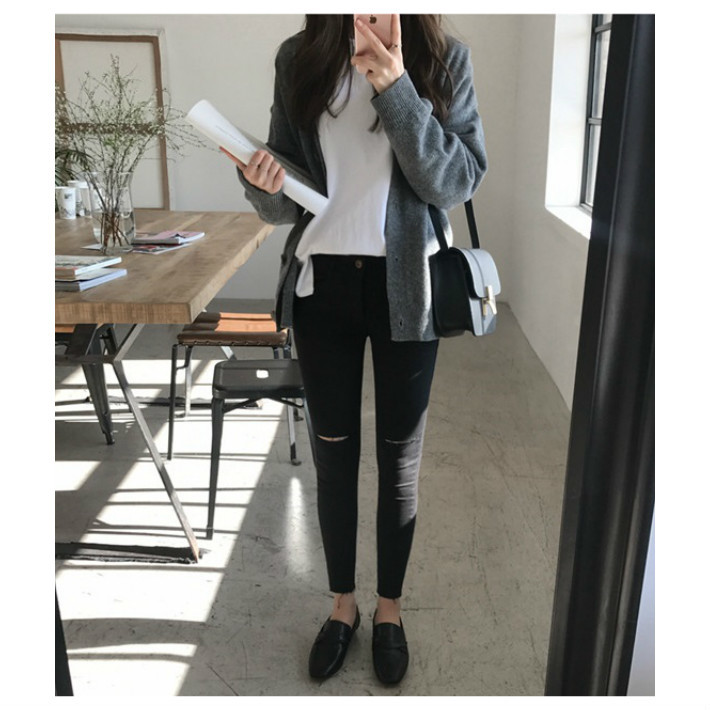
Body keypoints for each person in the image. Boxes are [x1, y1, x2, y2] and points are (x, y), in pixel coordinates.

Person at [222, 14, 487, 685]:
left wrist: (396, 89)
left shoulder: (442, 57)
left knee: (399, 461)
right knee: (333, 457)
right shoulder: (300, 56)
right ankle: (343, 605)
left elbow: (455, 182)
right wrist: (263, 181)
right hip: (324, 288)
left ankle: (389, 610)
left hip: (409, 287)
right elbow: (286, 202)